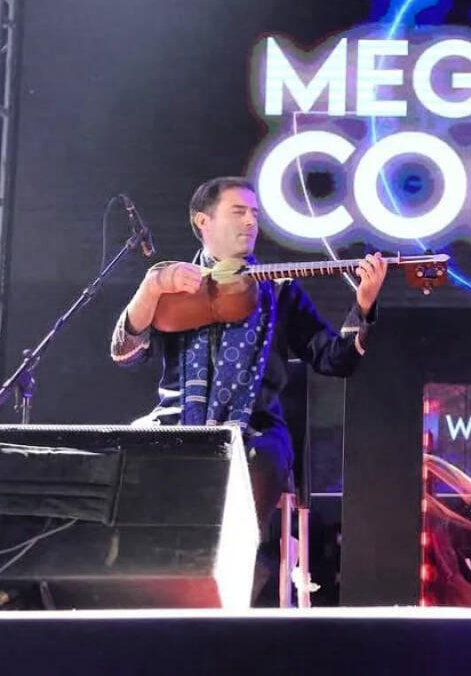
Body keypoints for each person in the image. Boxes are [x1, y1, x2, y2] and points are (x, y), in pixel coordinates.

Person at [109, 176, 387, 597]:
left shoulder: (278, 289)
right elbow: (125, 355)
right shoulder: (172, 285)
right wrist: (150, 288)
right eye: (238, 212)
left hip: (254, 428)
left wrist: (363, 305)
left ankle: (225, 583)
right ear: (202, 221)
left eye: (254, 214)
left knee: (255, 460)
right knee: (124, 448)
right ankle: (135, 583)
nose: (250, 222)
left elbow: (335, 359)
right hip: (174, 422)